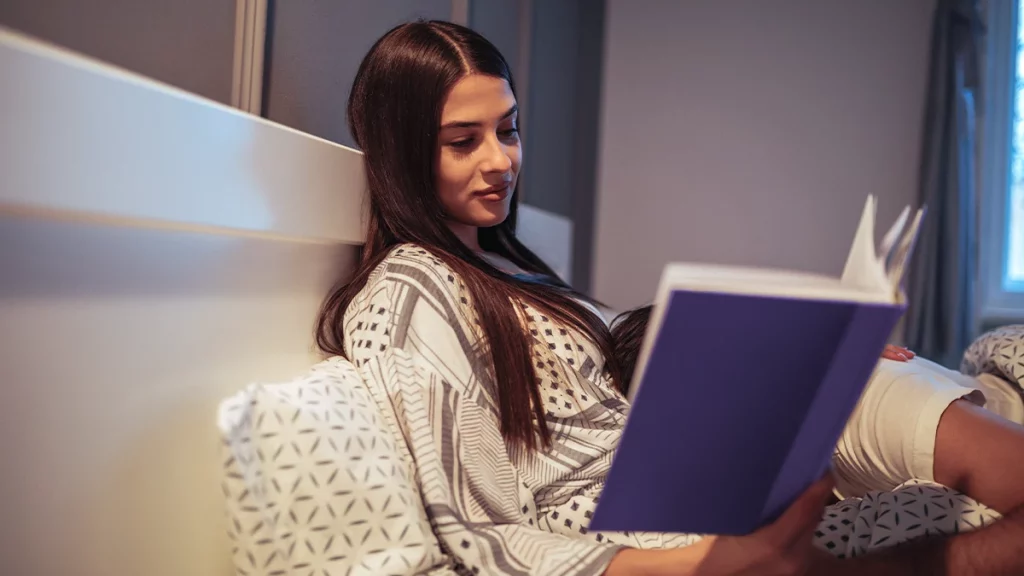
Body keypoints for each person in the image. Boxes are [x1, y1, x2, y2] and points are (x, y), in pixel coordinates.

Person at [317, 20, 1024, 575]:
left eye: (508, 130)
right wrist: (693, 565)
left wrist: (809, 345)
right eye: (462, 141)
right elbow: (478, 533)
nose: (500, 160)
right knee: (959, 516)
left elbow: (611, 361)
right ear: (402, 152)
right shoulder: (410, 291)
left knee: (939, 466)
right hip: (665, 530)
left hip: (716, 461)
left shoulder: (506, 268)